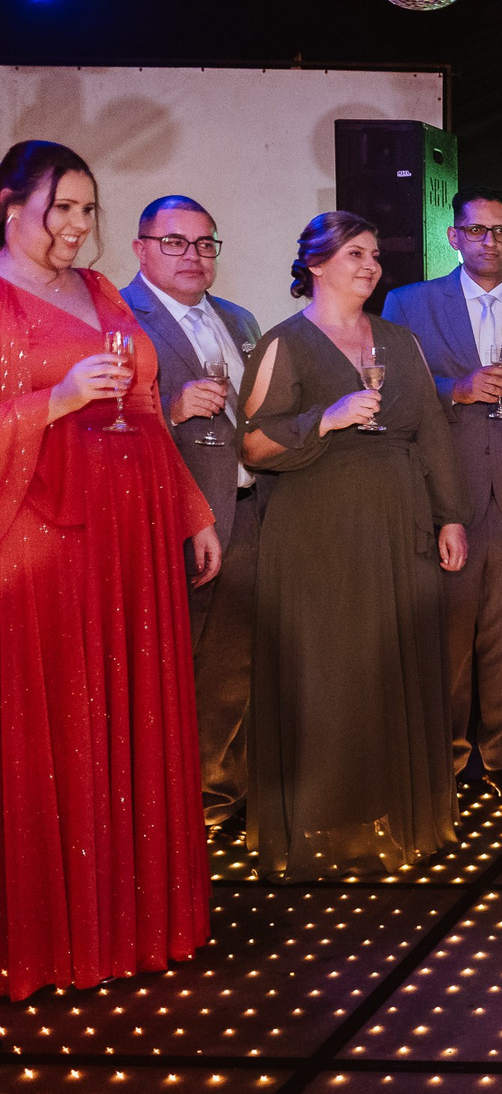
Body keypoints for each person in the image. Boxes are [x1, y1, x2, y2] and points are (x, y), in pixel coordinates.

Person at [0, 140, 216, 1000]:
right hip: (43, 538)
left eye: (87, 210)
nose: (77, 225)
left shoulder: (99, 290)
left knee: (129, 714)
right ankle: (55, 933)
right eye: (61, 208)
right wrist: (54, 401)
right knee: (59, 721)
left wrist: (194, 513)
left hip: (131, 536)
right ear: (10, 207)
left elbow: (147, 410)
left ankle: (134, 921)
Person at [241, 212, 470, 881]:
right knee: (329, 674)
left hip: (399, 525)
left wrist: (451, 516)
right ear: (315, 265)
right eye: (354, 254)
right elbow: (251, 445)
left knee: (392, 666)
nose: (370, 266)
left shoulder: (401, 340)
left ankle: (390, 816)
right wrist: (326, 418)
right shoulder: (285, 343)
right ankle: (324, 825)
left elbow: (433, 432)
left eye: (374, 254)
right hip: (317, 532)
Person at [383, 188, 502, 806]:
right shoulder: (409, 304)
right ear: (454, 236)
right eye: (476, 230)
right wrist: (455, 390)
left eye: (501, 231)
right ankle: (443, 760)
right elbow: (389, 392)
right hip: (445, 498)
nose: (489, 240)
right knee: (446, 640)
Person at [121, 194, 265, 834]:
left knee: (235, 662)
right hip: (173, 518)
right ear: (140, 248)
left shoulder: (239, 318)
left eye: (205, 243)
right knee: (171, 666)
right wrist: (169, 409)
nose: (193, 255)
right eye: (175, 242)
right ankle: (165, 800)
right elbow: (100, 425)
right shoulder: (120, 318)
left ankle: (217, 792)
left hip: (250, 508)